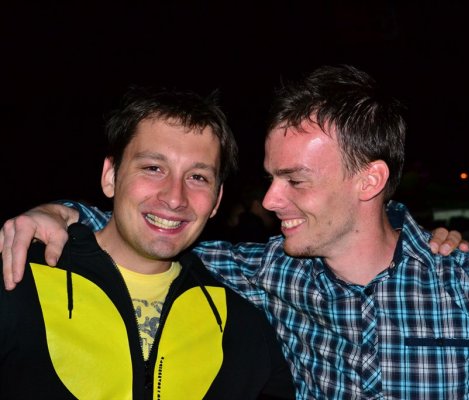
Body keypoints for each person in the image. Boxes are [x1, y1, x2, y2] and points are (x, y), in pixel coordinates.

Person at [0, 66, 469, 399]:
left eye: (294, 180)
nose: (271, 200)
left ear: (369, 180)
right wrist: (60, 214)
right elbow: (156, 232)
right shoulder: (268, 272)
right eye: (271, 178)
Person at [0, 86, 296, 399]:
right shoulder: (16, 278)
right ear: (111, 176)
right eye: (153, 168)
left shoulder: (242, 328)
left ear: (217, 200)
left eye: (197, 177)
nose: (174, 197)